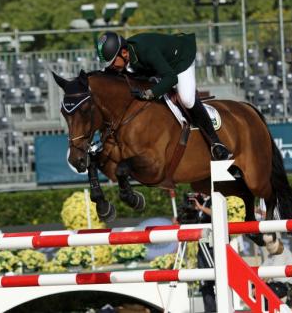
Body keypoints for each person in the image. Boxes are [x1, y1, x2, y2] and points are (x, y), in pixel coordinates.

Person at [96, 31, 231, 161]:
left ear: (124, 53)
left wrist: (150, 94)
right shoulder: (127, 57)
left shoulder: (146, 51)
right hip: (160, 67)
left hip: (180, 60)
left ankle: (216, 143)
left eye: (113, 62)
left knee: (187, 99)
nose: (112, 67)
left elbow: (171, 78)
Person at [190, 193, 216, 313]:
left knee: (215, 280)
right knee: (204, 282)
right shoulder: (202, 202)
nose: (197, 193)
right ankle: (209, 310)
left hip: (212, 247)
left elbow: (216, 214)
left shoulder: (214, 199)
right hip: (202, 246)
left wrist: (201, 208)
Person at [262, 235, 292, 308]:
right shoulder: (273, 254)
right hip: (278, 284)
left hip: (284, 285)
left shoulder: (281, 254)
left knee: (264, 294)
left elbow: (270, 273)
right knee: (257, 289)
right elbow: (263, 269)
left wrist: (259, 285)